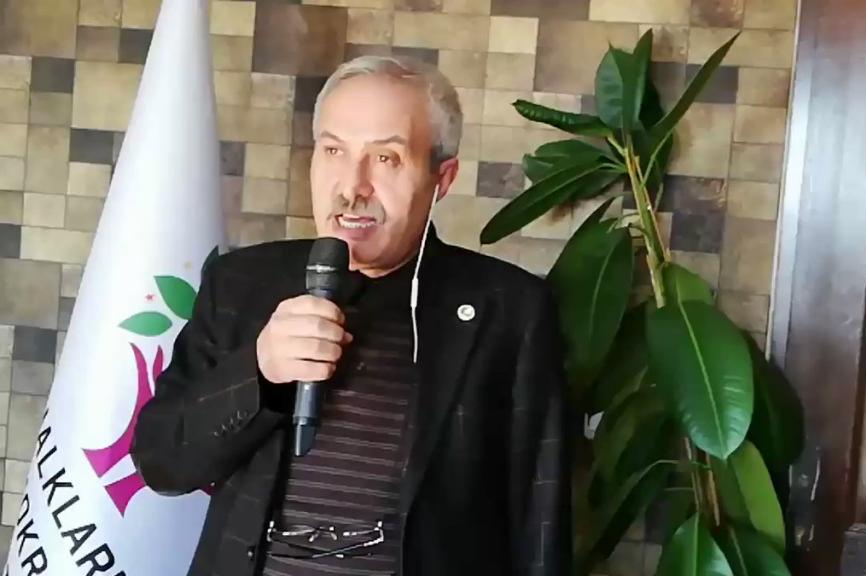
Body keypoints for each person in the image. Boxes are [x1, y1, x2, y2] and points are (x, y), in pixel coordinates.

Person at [129, 55, 570, 576]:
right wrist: (260, 372)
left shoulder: (509, 309)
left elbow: (539, 520)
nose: (352, 186)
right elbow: (163, 462)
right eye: (334, 151)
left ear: (442, 178)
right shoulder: (242, 283)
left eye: (386, 158)